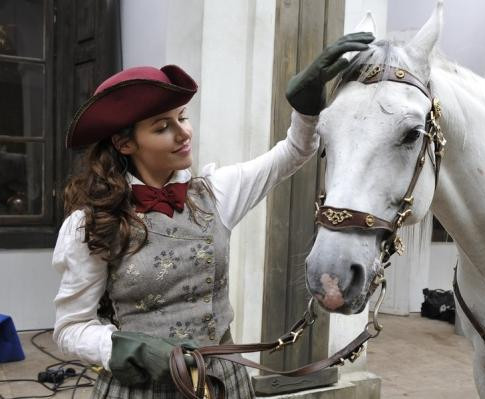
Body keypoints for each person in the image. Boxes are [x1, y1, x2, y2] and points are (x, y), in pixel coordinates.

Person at [52, 32, 374, 398]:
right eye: (162, 127)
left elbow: (294, 152)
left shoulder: (217, 192)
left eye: (182, 118)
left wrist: (306, 107)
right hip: (141, 390)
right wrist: (125, 347)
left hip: (225, 383)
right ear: (125, 143)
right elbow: (70, 328)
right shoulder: (90, 223)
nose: (183, 133)